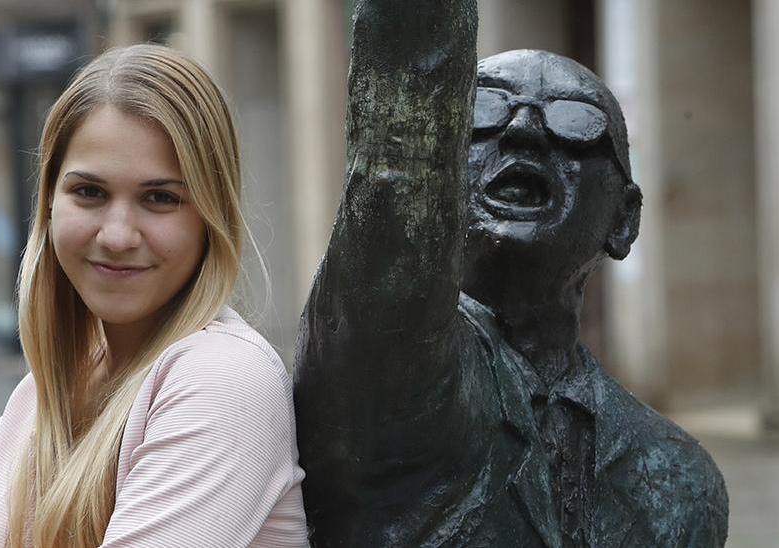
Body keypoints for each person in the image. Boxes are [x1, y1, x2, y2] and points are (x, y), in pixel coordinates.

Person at [292, 2, 727, 546]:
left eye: (574, 122)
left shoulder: (683, 481)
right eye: (485, 110)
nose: (523, 130)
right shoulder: (385, 367)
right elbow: (397, 164)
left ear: (625, 219)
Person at [0, 44, 308, 547]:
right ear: (48, 201)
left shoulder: (223, 378)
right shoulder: (51, 387)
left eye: (160, 198)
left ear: (210, 217)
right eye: (89, 192)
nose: (118, 235)